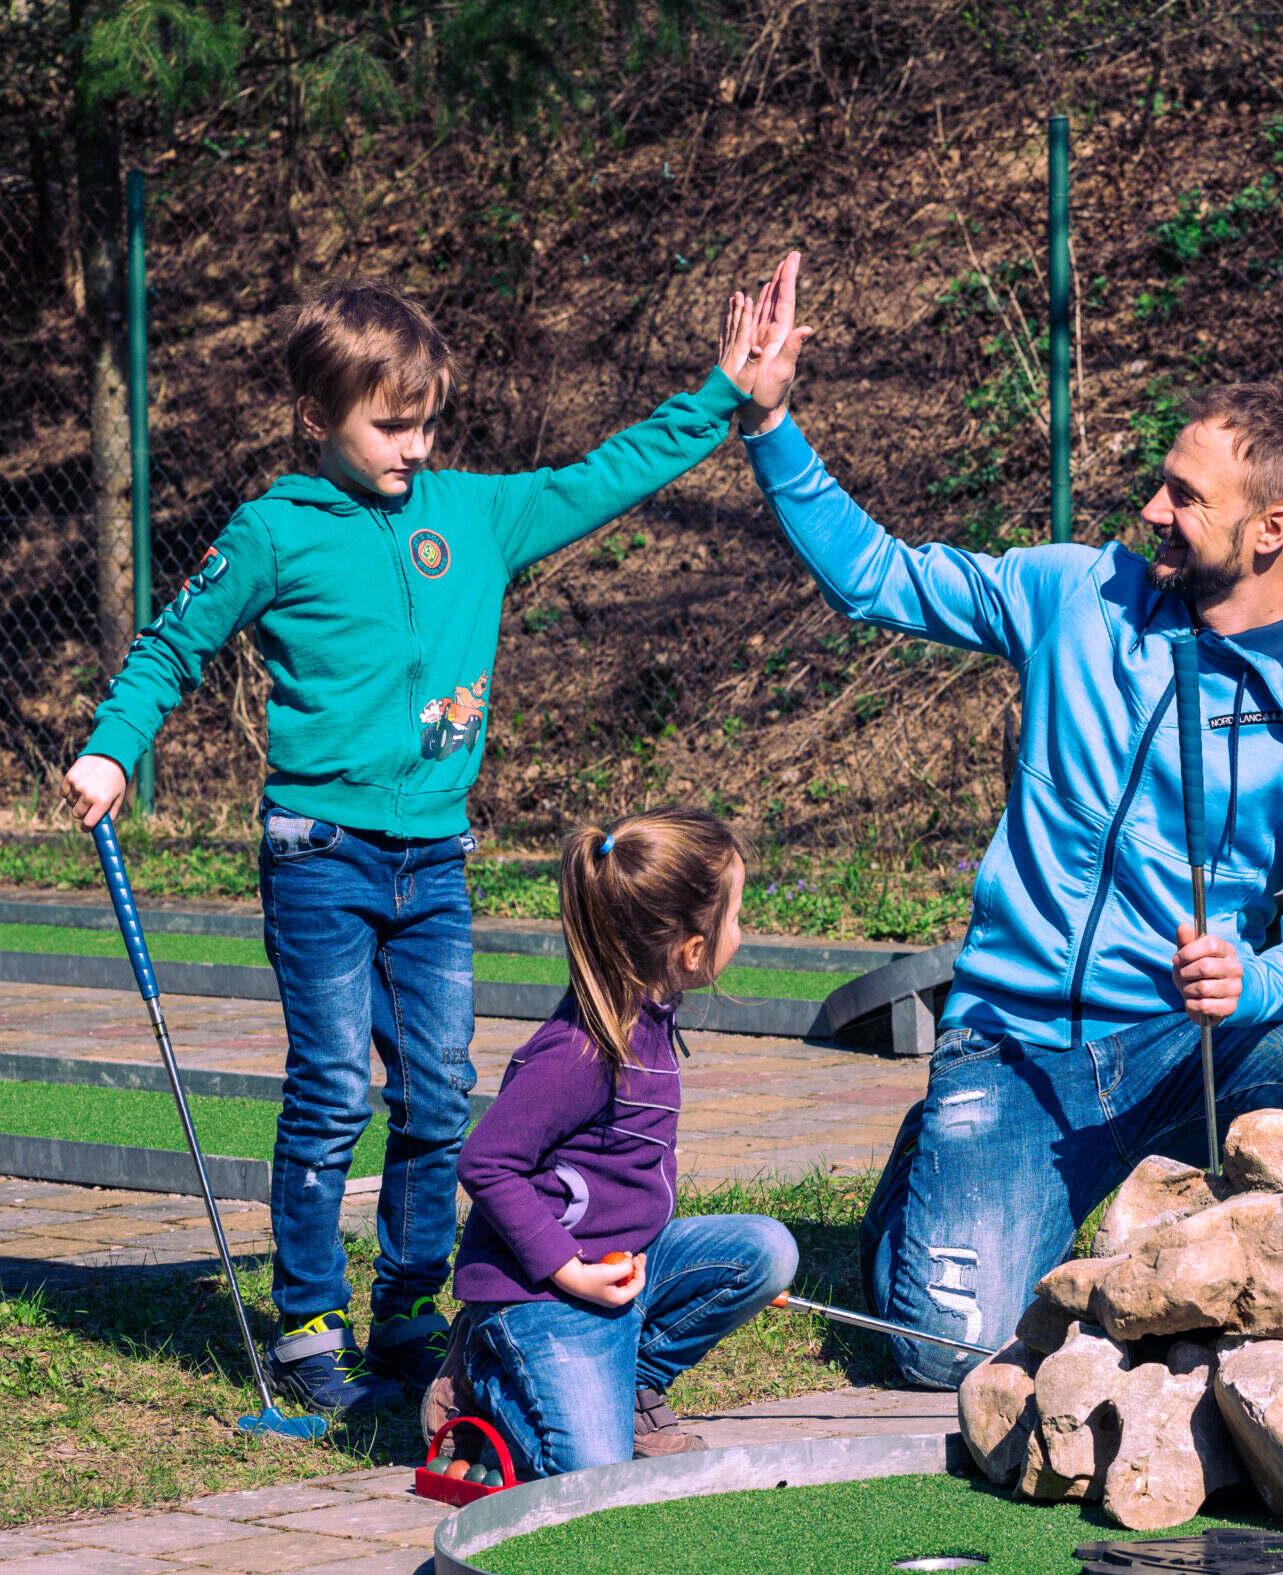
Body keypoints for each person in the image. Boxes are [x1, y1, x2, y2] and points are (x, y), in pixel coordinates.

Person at [63, 279, 773, 1415]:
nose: (414, 444)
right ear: (317, 416)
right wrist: (111, 751)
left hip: (433, 855)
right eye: (388, 424)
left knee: (441, 1090)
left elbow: (601, 476)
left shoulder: (474, 516)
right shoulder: (274, 531)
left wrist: (720, 398)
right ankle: (306, 1319)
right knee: (337, 1084)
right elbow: (171, 645)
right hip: (321, 853)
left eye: (425, 421)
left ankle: (405, 1302)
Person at [730, 255, 1283, 1389]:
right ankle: (946, 1148)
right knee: (947, 1350)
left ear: (1270, 528)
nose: (1151, 508)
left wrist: (1256, 983)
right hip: (1020, 1046)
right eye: (1162, 480)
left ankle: (1248, 1263)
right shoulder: (1071, 595)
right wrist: (769, 424)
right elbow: (874, 579)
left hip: (1191, 1047)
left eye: (1185, 497)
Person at [444, 807, 797, 1476]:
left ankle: (629, 1377)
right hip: (541, 1293)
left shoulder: (652, 1010)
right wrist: (568, 1269)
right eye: (737, 916)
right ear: (692, 950)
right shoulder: (577, 1051)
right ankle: (481, 1381)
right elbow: (486, 1161)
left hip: (622, 1266)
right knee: (592, 1468)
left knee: (766, 1250)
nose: (742, 932)